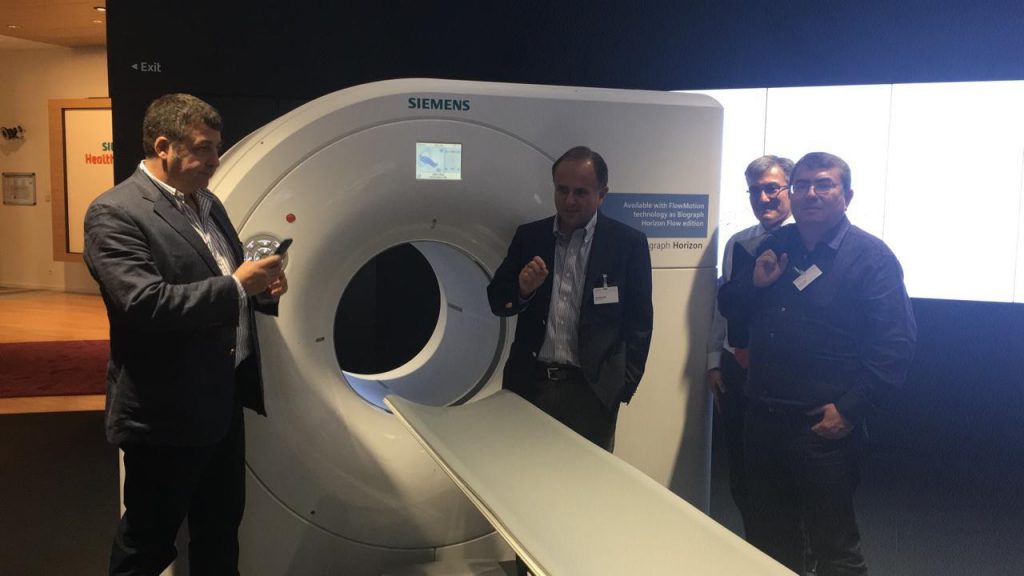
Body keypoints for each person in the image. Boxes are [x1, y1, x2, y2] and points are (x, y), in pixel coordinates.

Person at [83, 93, 288, 576]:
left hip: (221, 400)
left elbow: (226, 278)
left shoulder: (207, 203)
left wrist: (262, 291)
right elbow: (144, 304)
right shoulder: (116, 213)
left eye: (217, 146)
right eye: (204, 148)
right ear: (163, 147)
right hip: (165, 411)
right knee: (148, 543)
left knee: (220, 531)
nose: (215, 160)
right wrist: (238, 285)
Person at [718, 152, 916, 575]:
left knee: (834, 551)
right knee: (768, 543)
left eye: (823, 184)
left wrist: (849, 411)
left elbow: (894, 347)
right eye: (802, 185)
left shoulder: (871, 257)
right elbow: (730, 306)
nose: (810, 193)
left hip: (822, 431)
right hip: (762, 422)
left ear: (847, 195)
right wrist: (755, 284)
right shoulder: (775, 245)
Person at [706, 155, 794, 535]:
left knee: (785, 474)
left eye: (772, 188)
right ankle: (753, 543)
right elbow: (723, 305)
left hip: (786, 373)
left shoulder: (805, 241)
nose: (763, 198)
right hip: (737, 367)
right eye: (755, 191)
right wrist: (713, 359)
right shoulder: (738, 242)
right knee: (741, 468)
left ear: (790, 189)